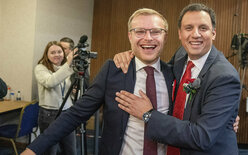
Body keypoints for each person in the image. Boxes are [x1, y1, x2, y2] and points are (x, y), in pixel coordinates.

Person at [21, 8, 173, 155]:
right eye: (140, 31)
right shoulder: (113, 71)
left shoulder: (174, 74)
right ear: (130, 36)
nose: (148, 37)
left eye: (155, 31)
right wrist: (34, 149)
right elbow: (76, 114)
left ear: (165, 37)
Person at [115, 3, 240, 154]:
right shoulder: (182, 54)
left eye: (203, 28)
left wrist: (148, 114)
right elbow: (163, 74)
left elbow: (202, 137)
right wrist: (133, 54)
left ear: (213, 33)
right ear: (180, 33)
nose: (195, 34)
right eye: (189, 28)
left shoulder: (225, 77)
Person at [33, 41, 77, 155]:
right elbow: (50, 82)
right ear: (46, 55)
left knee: (70, 149)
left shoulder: (64, 67)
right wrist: (68, 64)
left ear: (64, 53)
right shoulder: (40, 68)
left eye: (59, 52)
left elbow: (64, 88)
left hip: (67, 112)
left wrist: (73, 92)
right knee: (50, 150)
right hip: (49, 114)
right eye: (52, 53)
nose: (57, 55)